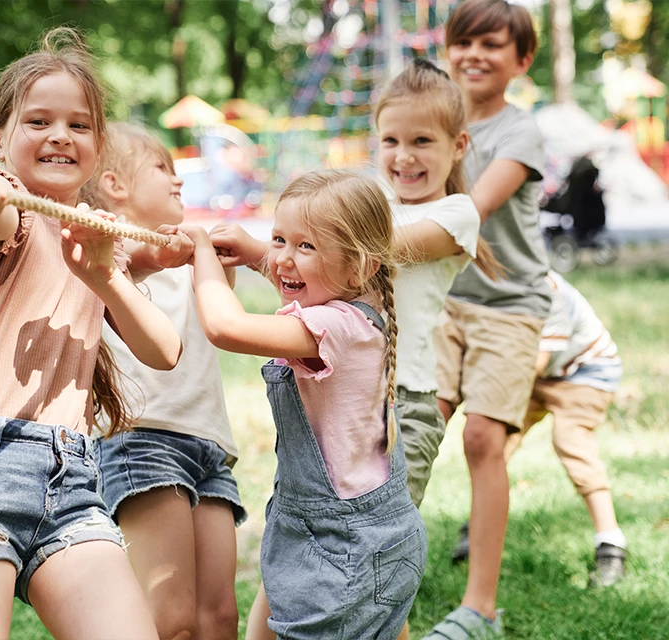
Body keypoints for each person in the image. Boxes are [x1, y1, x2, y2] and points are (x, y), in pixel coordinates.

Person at [0, 29, 182, 640]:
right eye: (39, 120)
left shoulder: (92, 240)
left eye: (79, 125)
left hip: (72, 484)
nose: (60, 134)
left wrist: (105, 274)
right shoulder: (5, 215)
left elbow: (164, 350)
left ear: (99, 145)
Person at [186, 169, 428, 639]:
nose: (283, 259)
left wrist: (202, 256)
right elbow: (306, 271)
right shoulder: (365, 298)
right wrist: (259, 250)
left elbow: (226, 328)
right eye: (280, 238)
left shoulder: (333, 327)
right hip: (342, 531)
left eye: (306, 246)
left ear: (360, 266)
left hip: (345, 545)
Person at [83, 123, 246, 640]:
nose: (178, 181)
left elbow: (226, 317)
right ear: (115, 185)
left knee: (219, 617)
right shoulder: (102, 255)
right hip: (143, 439)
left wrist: (209, 254)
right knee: (171, 620)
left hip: (209, 443)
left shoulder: (190, 255)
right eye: (163, 169)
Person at [428, 0, 551, 637]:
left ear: (521, 60)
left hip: (508, 305)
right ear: (448, 50)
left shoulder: (519, 132)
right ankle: (379, 564)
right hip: (442, 299)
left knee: (482, 437)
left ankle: (481, 606)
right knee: (416, 424)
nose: (474, 55)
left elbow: (468, 212)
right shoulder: (433, 121)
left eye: (492, 45)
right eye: (464, 42)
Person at [455, 271, 627, 587]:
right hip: (536, 374)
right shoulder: (490, 285)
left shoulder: (547, 292)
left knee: (572, 443)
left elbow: (535, 360)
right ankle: (479, 524)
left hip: (584, 371)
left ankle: (611, 544)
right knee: (494, 441)